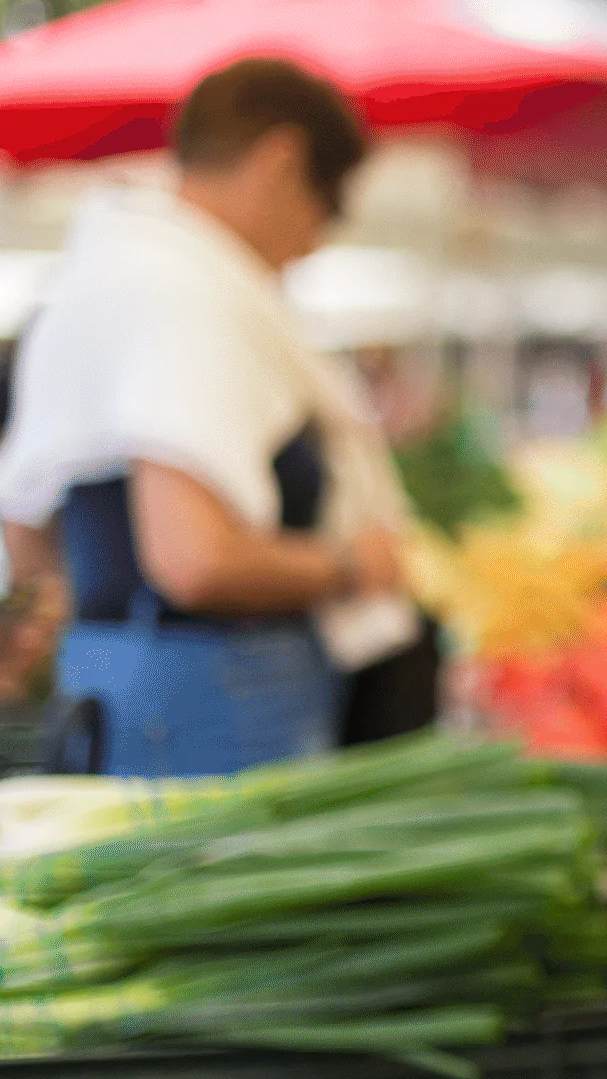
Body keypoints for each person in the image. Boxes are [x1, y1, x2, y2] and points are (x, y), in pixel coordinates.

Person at [0, 58, 418, 775]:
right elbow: (194, 561)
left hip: (122, 687)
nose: (316, 241)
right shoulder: (183, 292)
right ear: (282, 163)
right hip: (212, 710)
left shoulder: (100, 275)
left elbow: (34, 544)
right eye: (329, 205)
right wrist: (354, 565)